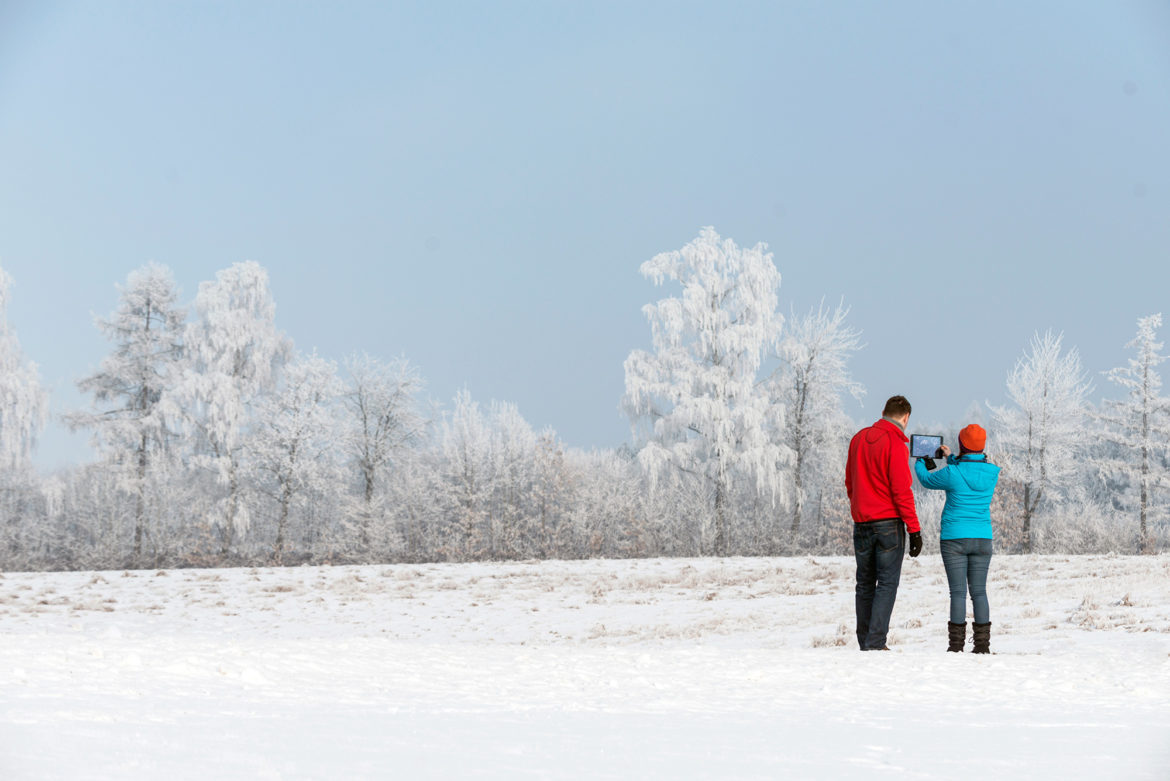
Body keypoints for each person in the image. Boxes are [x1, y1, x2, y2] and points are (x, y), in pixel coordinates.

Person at [914, 423, 1000, 653]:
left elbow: (926, 480)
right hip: (983, 538)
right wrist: (952, 458)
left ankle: (956, 647)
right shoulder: (992, 473)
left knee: (958, 593)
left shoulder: (952, 473)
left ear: (962, 444)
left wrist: (921, 459)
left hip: (954, 539)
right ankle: (982, 646)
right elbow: (969, 474)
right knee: (979, 592)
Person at [845, 395, 923, 651]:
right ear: (906, 417)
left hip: (862, 522)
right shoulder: (895, 443)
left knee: (864, 583)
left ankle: (865, 641)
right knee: (887, 583)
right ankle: (876, 642)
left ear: (883, 412)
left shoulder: (857, 439)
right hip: (889, 523)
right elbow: (902, 490)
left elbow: (850, 482)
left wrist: (859, 506)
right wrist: (914, 529)